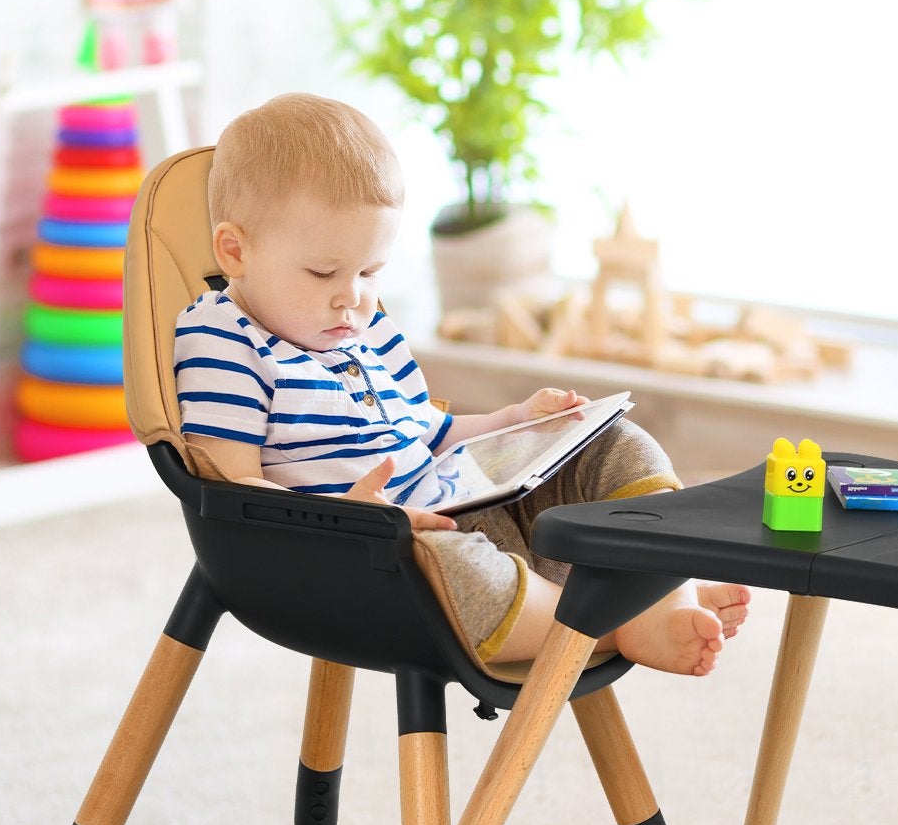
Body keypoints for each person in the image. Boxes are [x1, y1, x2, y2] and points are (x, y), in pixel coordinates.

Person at [174, 92, 749, 676]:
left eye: (371, 271)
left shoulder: (363, 332)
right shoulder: (225, 337)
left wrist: (514, 424)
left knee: (614, 443)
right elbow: (232, 486)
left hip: (462, 504)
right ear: (236, 251)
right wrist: (341, 517)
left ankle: (661, 591)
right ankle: (612, 625)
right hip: (370, 557)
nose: (352, 296)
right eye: (324, 272)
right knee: (456, 567)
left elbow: (431, 431)